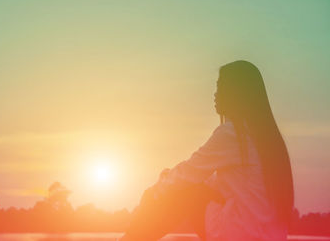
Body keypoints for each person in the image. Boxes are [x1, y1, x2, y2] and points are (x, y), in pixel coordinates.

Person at [120, 60, 294, 241]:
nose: (215, 94)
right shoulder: (266, 139)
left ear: (236, 93)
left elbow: (189, 172)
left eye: (220, 87)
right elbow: (218, 185)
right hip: (269, 235)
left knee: (183, 191)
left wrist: (155, 191)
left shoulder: (233, 133)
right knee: (182, 186)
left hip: (241, 234)